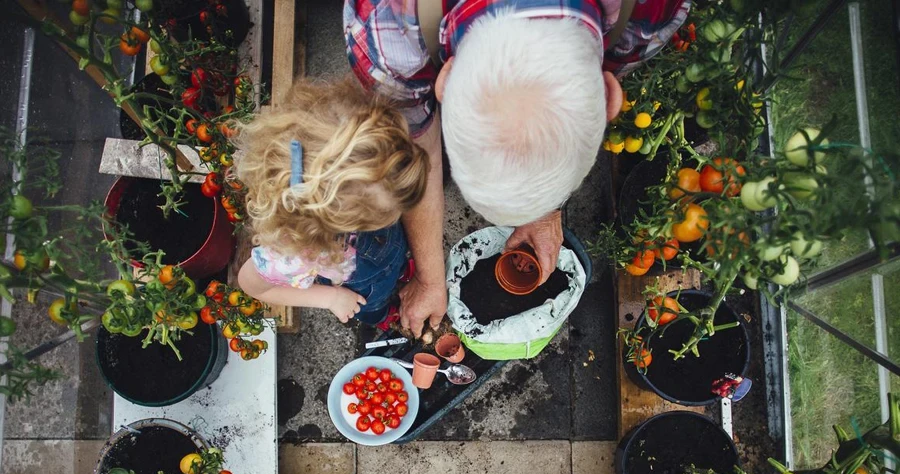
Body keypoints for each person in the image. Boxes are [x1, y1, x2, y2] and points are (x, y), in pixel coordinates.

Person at [344, 0, 690, 336]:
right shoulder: (387, 31)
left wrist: (545, 211)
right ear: (610, 97)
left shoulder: (652, 10)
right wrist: (431, 279)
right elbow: (419, 157)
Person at [234, 78, 430, 326]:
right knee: (373, 308)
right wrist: (331, 297)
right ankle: (381, 313)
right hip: (362, 289)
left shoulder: (365, 174)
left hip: (386, 252)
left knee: (395, 257)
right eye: (389, 212)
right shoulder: (292, 254)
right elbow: (252, 286)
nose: (400, 213)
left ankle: (398, 270)